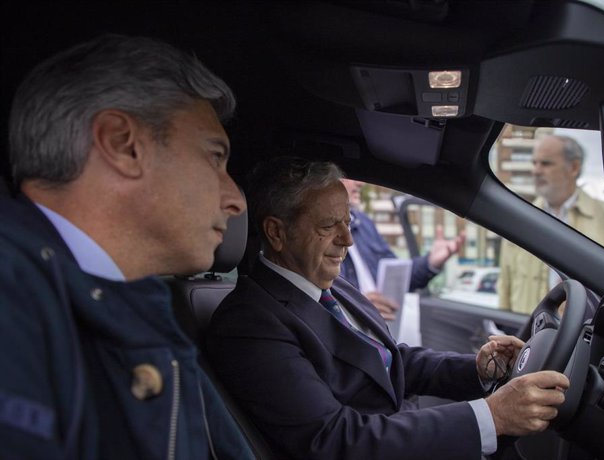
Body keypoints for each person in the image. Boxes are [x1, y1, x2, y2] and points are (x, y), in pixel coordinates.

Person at [206, 157, 570, 460]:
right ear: (276, 233)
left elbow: (389, 361)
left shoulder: (330, 285)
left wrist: (478, 370)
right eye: (329, 225)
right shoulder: (250, 323)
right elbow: (333, 439)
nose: (347, 239)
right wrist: (491, 416)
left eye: (348, 222)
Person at [0, 35, 254, 459]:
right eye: (215, 157)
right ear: (123, 144)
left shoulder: (134, 301)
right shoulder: (14, 293)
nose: (236, 200)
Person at [498, 134, 604, 314]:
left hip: (591, 338)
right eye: (534, 163)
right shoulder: (519, 223)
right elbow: (504, 291)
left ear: (574, 167)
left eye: (546, 164)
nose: (536, 171)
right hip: (529, 338)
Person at [340, 179, 462, 320]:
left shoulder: (364, 224)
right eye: (350, 175)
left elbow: (398, 275)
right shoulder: (315, 236)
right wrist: (357, 307)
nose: (360, 183)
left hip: (381, 329)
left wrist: (430, 262)